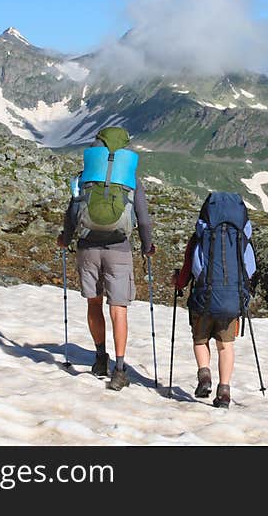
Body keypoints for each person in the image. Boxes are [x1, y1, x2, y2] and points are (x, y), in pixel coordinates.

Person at [57, 127, 154, 391]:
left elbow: (73, 211)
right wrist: (147, 246)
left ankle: (100, 358)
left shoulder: (87, 175)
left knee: (94, 303)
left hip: (88, 247)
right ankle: (120, 369)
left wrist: (65, 238)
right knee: (118, 308)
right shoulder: (130, 178)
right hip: (119, 249)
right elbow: (143, 219)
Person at [171, 192, 256, 409]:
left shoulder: (201, 236)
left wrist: (179, 282)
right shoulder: (241, 238)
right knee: (225, 346)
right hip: (231, 301)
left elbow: (191, 267)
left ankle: (204, 375)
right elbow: (250, 269)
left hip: (203, 297)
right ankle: (224, 391)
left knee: (200, 340)